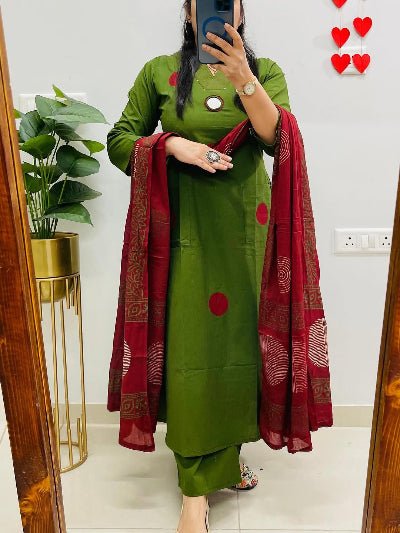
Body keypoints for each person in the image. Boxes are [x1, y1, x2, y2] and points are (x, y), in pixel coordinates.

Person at [107, 1, 291, 531]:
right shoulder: (159, 72)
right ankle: (194, 491)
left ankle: (226, 460)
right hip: (183, 236)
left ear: (241, 12)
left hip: (246, 235)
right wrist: (172, 146)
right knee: (190, 352)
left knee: (240, 350)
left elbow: (278, 140)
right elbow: (120, 141)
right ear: (189, 14)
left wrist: (243, 78)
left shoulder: (265, 71)